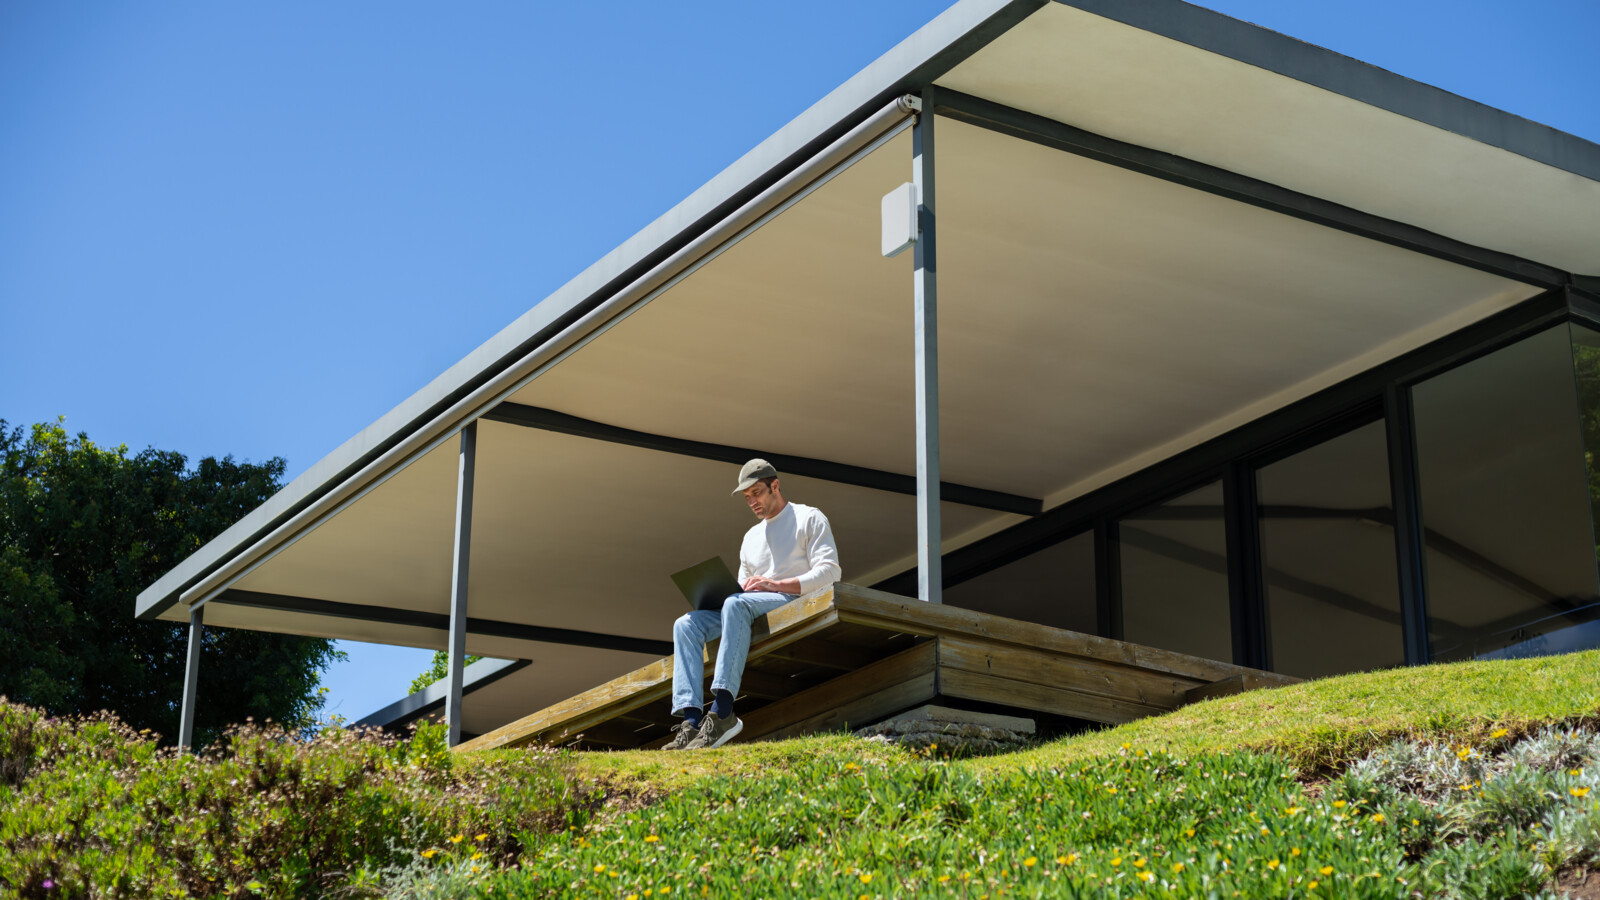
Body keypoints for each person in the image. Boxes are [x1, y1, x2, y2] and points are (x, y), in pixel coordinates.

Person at [664, 458, 840, 750]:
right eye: (747, 498)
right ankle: (692, 722)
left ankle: (723, 712)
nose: (752, 502)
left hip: (791, 600)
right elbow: (742, 590)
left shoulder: (809, 517)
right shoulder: (751, 537)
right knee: (685, 625)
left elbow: (831, 572)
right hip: (748, 605)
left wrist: (776, 584)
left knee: (736, 604)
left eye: (757, 492)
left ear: (775, 485)